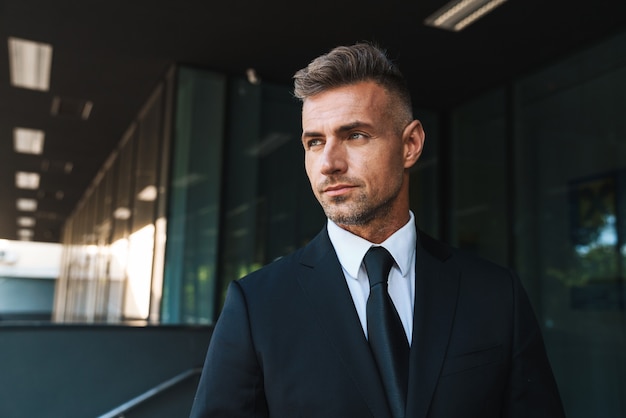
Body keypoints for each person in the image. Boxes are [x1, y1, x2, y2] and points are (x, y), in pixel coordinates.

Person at [189, 42, 566, 418]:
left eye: (355, 135)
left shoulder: (496, 294)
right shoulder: (256, 304)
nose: (328, 164)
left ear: (410, 144)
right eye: (315, 142)